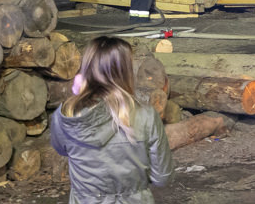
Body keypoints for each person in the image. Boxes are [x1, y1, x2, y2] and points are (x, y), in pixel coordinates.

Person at [50, 36, 173, 203]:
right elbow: (162, 177)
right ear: (126, 71)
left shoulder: (65, 114)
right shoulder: (147, 115)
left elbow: (62, 150)